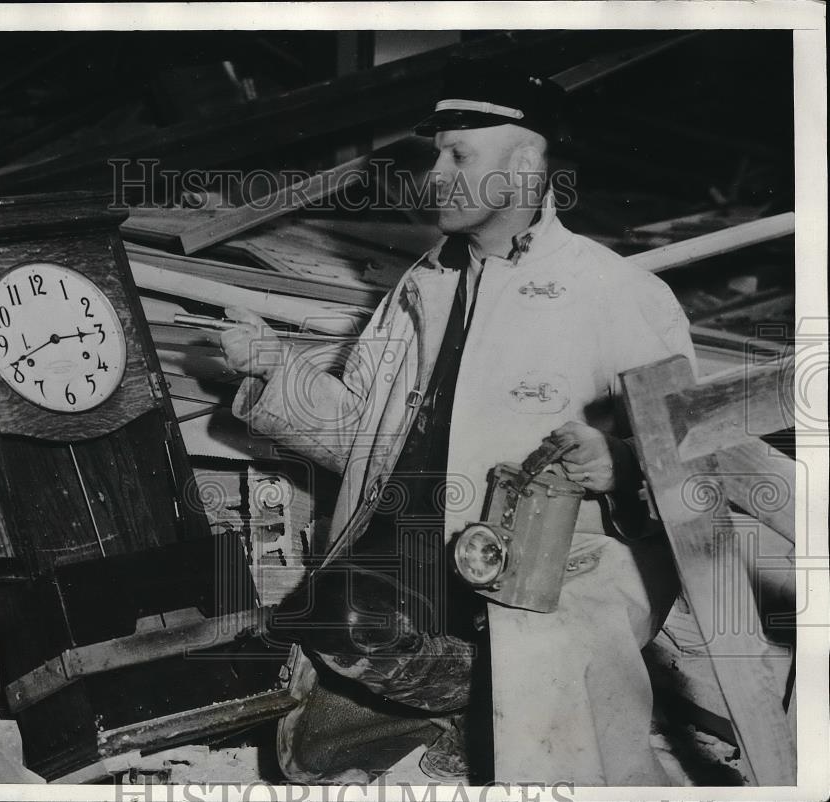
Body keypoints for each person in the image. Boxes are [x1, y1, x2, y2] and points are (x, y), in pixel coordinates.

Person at [219, 56, 696, 785]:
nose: (433, 173)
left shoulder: (618, 295)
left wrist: (623, 463)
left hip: (539, 573)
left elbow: (693, 471)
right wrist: (271, 369)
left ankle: (497, 694)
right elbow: (359, 437)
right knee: (325, 636)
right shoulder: (425, 284)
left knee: (536, 721)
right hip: (415, 546)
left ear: (528, 162)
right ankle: (471, 697)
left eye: (459, 154)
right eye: (434, 153)